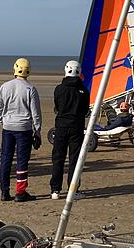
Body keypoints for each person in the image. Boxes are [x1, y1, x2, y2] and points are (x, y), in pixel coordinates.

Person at [0, 58, 42, 202]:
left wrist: (2, 121)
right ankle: (20, 192)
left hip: (8, 127)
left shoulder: (5, 86)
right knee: (22, 160)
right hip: (23, 128)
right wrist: (37, 131)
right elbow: (36, 113)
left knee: (6, 159)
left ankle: (4, 191)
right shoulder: (30, 89)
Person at [50, 60, 89, 200]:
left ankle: (55, 190)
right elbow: (85, 110)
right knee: (74, 159)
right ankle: (72, 189)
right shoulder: (83, 90)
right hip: (75, 126)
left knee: (58, 158)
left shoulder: (59, 89)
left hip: (62, 126)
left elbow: (58, 106)